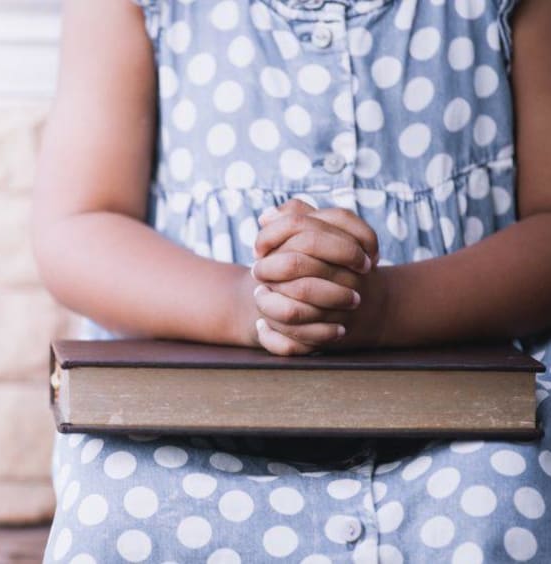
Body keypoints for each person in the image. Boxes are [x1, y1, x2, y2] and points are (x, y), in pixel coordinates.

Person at [31, 0, 551, 561]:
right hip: (181, 416)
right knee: (116, 513)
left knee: (505, 497)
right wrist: (246, 304)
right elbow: (78, 226)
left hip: (473, 405)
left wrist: (385, 309)